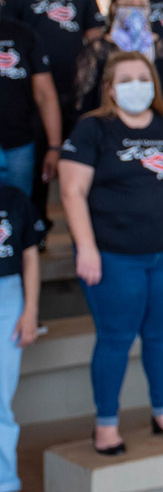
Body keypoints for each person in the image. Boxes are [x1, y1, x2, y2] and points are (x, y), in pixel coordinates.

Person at [60, 51, 163, 455]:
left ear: (154, 84)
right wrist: (87, 248)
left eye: (142, 77)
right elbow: (71, 191)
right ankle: (106, 424)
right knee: (116, 338)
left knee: (161, 336)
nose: (135, 85)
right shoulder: (93, 129)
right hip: (114, 256)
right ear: (110, 87)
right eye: (125, 79)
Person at [2, 0, 103, 244]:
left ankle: (87, 226)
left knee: (83, 158)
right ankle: (38, 227)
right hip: (31, 98)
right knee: (38, 168)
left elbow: (95, 38)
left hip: (77, 94)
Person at [75, 0, 163, 124]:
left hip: (159, 127)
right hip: (109, 127)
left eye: (142, 5)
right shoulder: (95, 50)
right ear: (114, 8)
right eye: (128, 4)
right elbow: (82, 99)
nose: (135, 9)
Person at [0, 0, 61, 197]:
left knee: (18, 213)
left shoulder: (23, 35)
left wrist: (54, 146)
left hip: (19, 143)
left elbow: (46, 95)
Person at [0, 184, 40, 492]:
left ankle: (5, 481)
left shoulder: (13, 197)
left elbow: (30, 256)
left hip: (7, 296)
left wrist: (30, 310)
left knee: (0, 398)